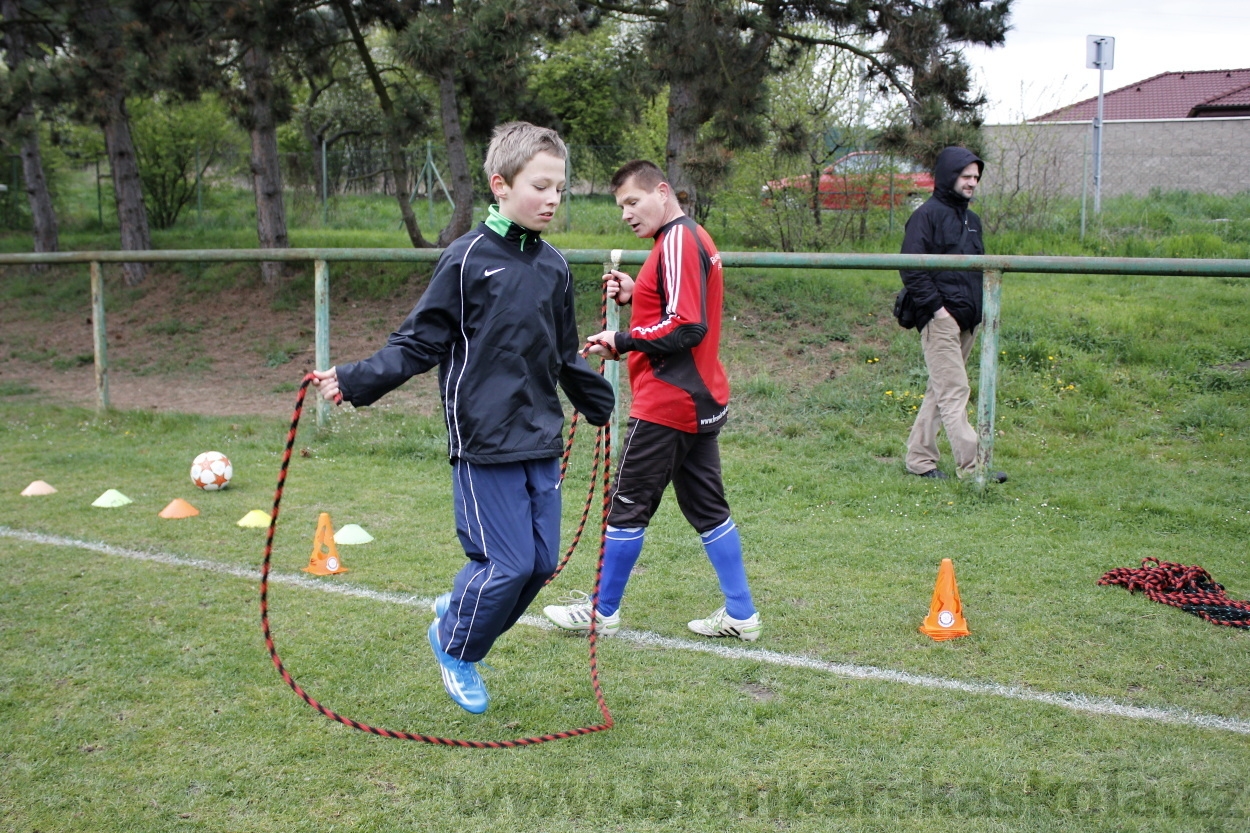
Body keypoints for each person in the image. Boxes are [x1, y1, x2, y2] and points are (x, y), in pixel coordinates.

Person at [311, 122, 614, 714]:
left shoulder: (553, 266)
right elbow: (418, 343)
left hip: (540, 438)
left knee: (541, 564)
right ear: (501, 185)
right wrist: (355, 379)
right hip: (483, 440)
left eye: (561, 189)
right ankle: (455, 647)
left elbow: (561, 349)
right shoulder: (467, 258)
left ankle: (458, 615)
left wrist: (592, 400)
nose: (553, 200)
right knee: (505, 565)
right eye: (541, 186)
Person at [543, 160, 761, 642]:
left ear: (662, 192)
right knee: (709, 509)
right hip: (696, 399)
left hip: (667, 401)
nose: (626, 214)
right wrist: (635, 292)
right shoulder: (680, 240)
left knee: (627, 503)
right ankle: (742, 615)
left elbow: (686, 325)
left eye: (632, 202)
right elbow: (672, 305)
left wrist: (621, 340)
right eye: (621, 206)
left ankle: (602, 610)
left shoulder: (678, 239)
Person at [898, 146, 1005, 483]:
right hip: (940, 321)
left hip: (969, 321)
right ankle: (974, 467)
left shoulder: (972, 221)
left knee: (940, 390)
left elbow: (979, 269)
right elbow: (911, 269)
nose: (972, 183)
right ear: (949, 176)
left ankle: (919, 459)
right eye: (966, 176)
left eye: (976, 177)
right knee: (954, 390)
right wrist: (938, 312)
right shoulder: (926, 216)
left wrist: (981, 312)